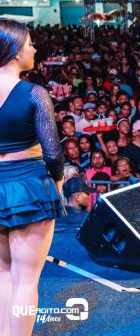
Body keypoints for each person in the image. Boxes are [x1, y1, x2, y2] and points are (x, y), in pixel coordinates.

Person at [0, 19, 65, 336]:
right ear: (14, 52)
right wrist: (58, 182)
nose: (34, 49)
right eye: (29, 44)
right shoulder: (34, 94)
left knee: (2, 274)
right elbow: (53, 153)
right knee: (25, 279)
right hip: (29, 187)